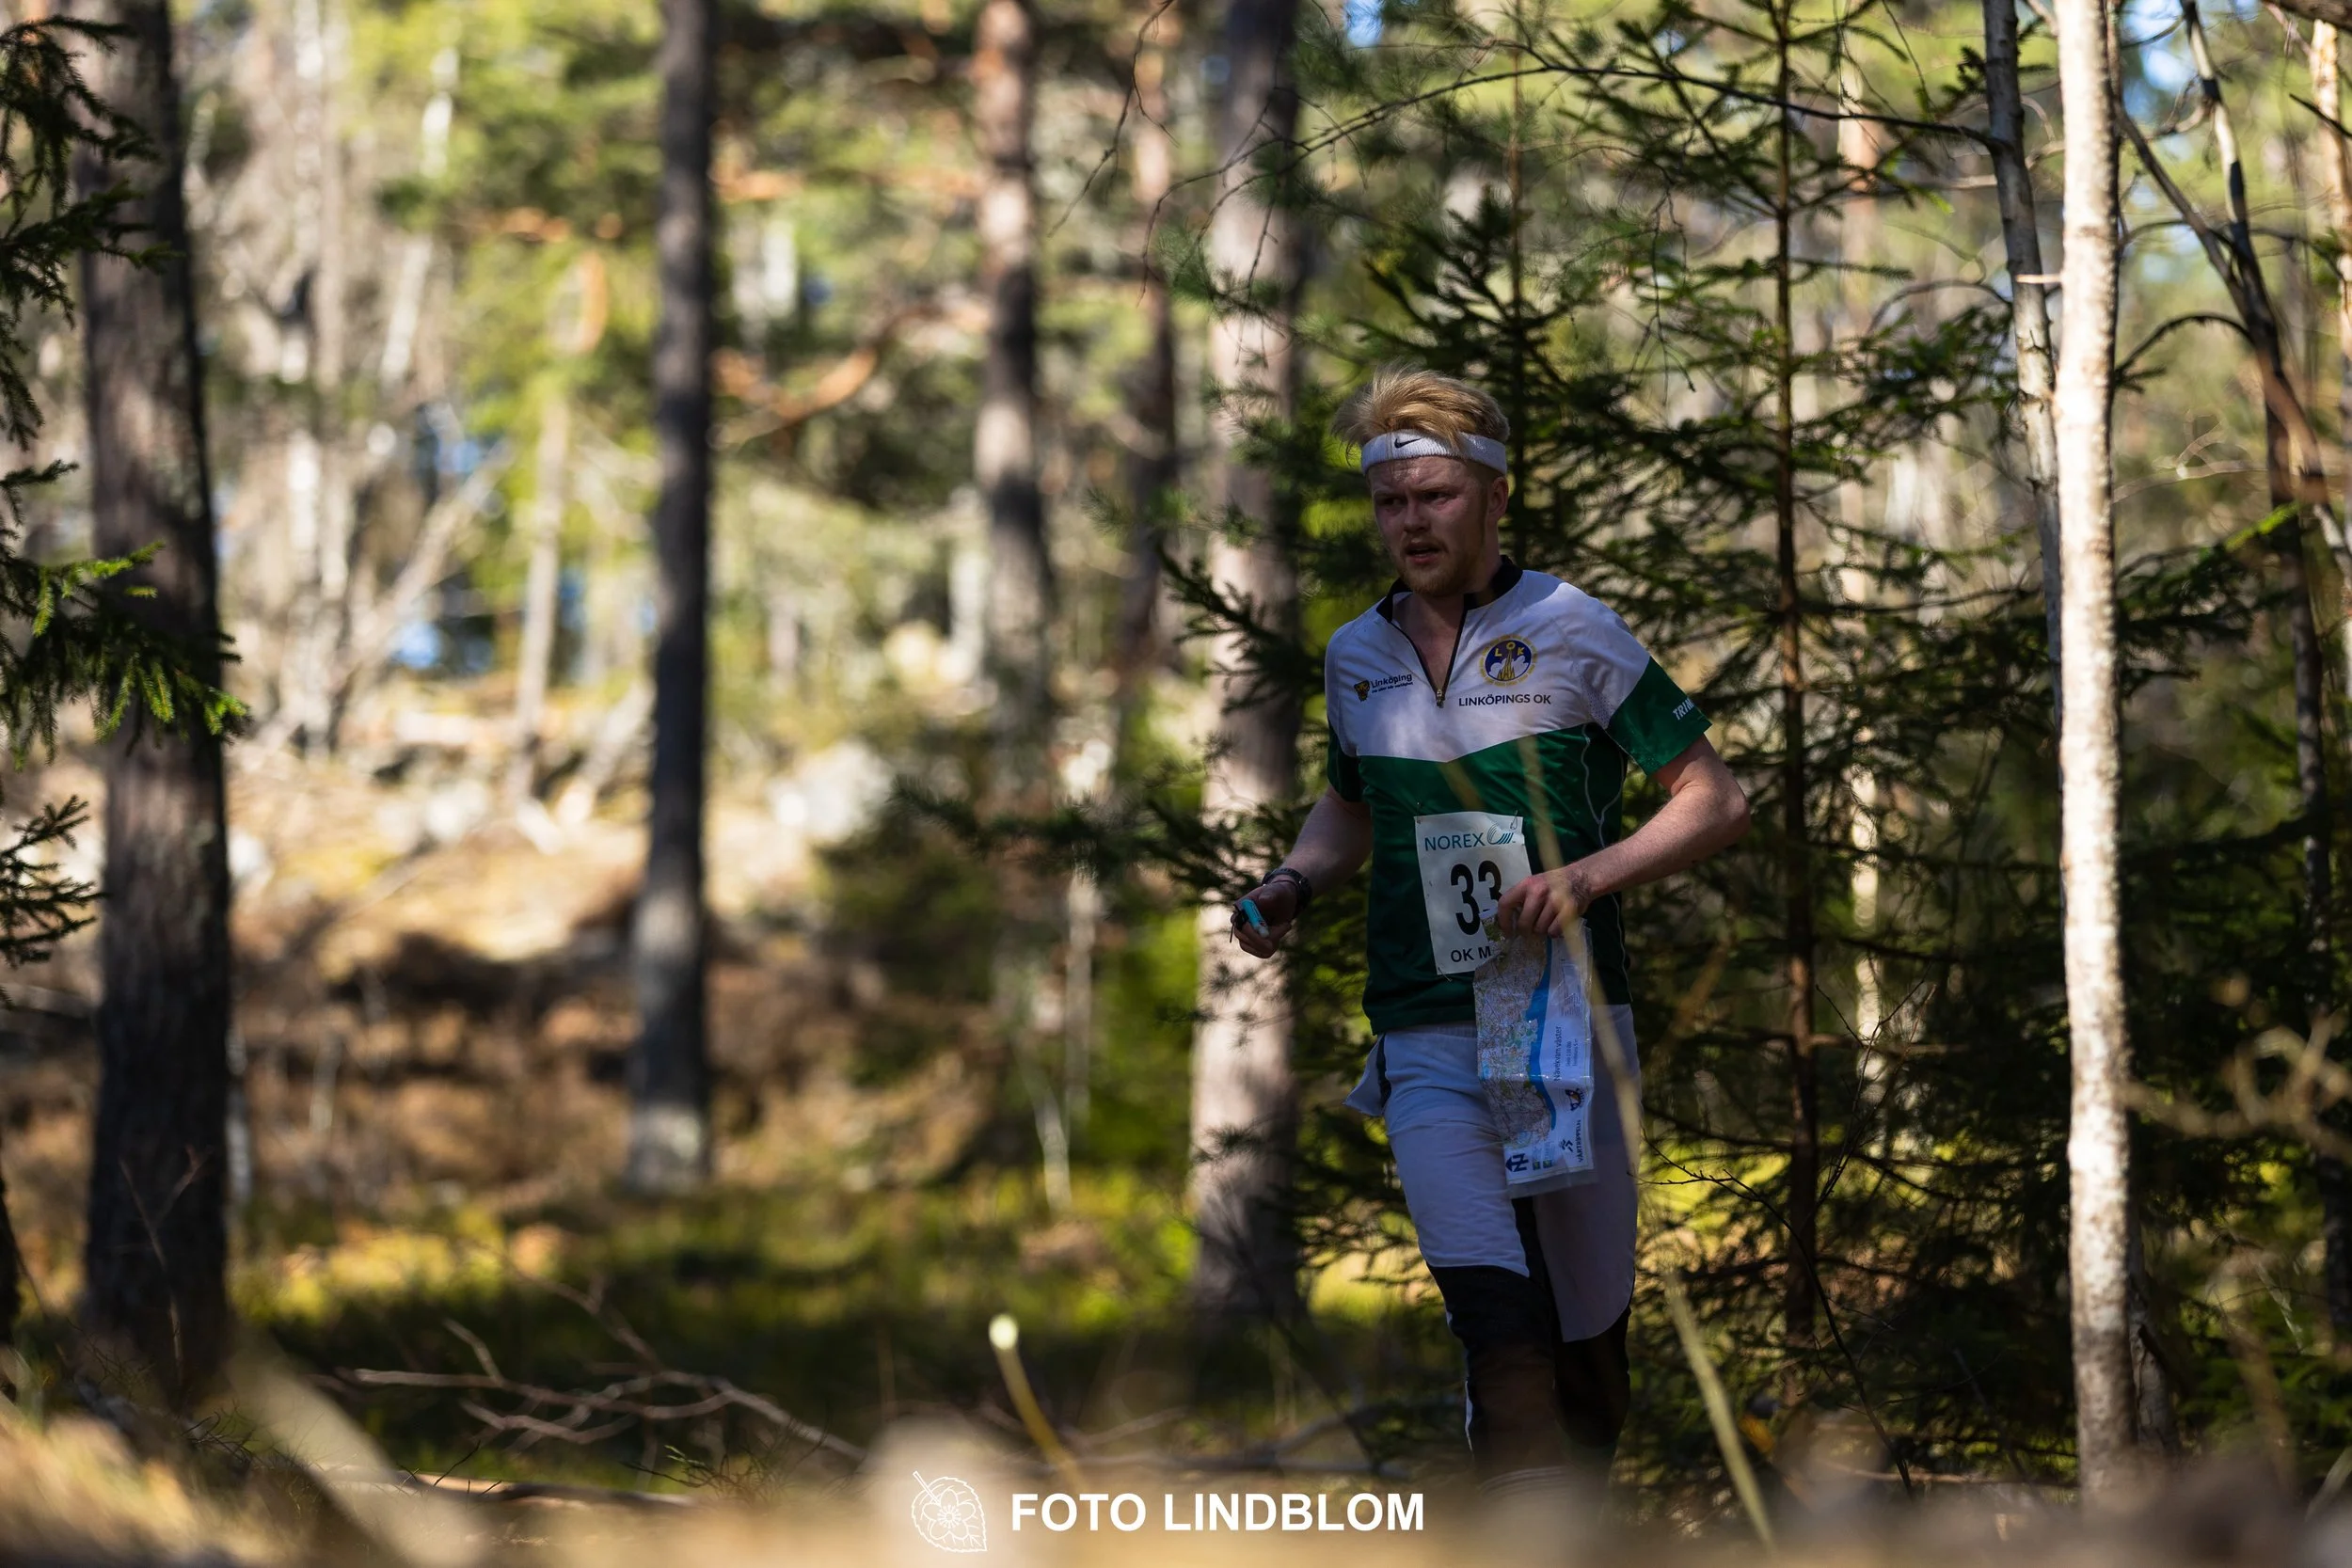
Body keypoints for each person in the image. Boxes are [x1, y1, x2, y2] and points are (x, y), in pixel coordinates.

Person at [1228, 365, 1750, 1497]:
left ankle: (1578, 1519)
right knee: (1494, 1324)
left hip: (1565, 1023)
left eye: (1436, 496)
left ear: (1495, 494)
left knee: (1585, 1345)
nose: (1411, 522)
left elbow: (1716, 798)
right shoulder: (1354, 655)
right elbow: (1352, 804)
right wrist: (1290, 883)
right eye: (1391, 502)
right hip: (1425, 1027)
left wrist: (1586, 877)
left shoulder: (1572, 628)